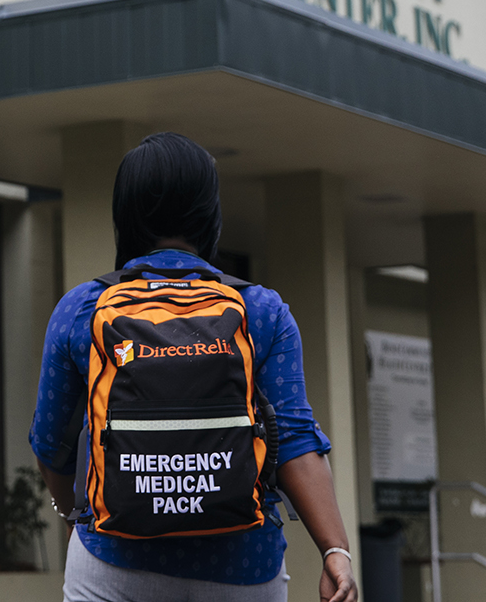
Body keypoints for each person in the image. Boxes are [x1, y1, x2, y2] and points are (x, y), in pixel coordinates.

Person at [30, 132, 359, 602]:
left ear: (124, 212)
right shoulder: (260, 310)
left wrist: (73, 517)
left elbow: (48, 444)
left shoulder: (83, 308)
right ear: (210, 213)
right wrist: (335, 551)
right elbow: (295, 439)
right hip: (243, 566)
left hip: (112, 562)